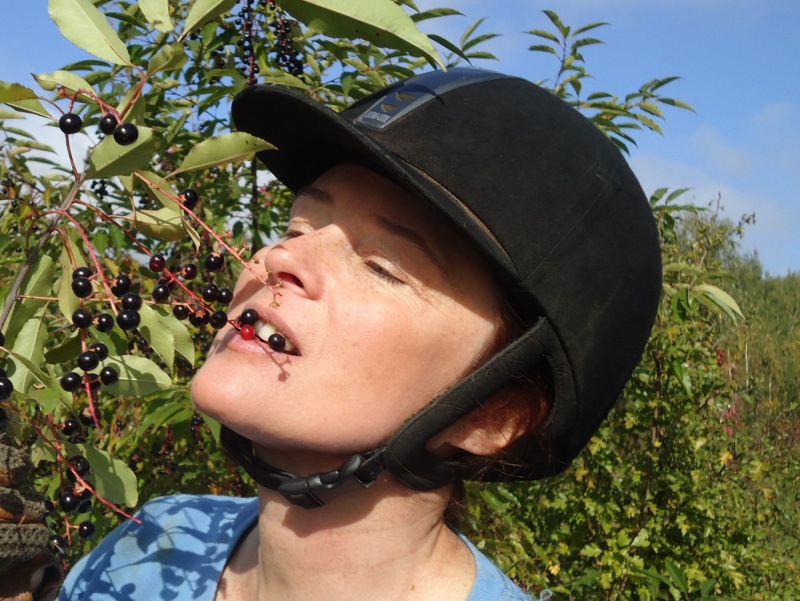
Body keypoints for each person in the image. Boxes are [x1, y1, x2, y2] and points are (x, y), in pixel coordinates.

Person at [57, 67, 661, 601]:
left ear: (495, 413)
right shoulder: (152, 545)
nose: (279, 258)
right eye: (296, 227)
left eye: (382, 267)